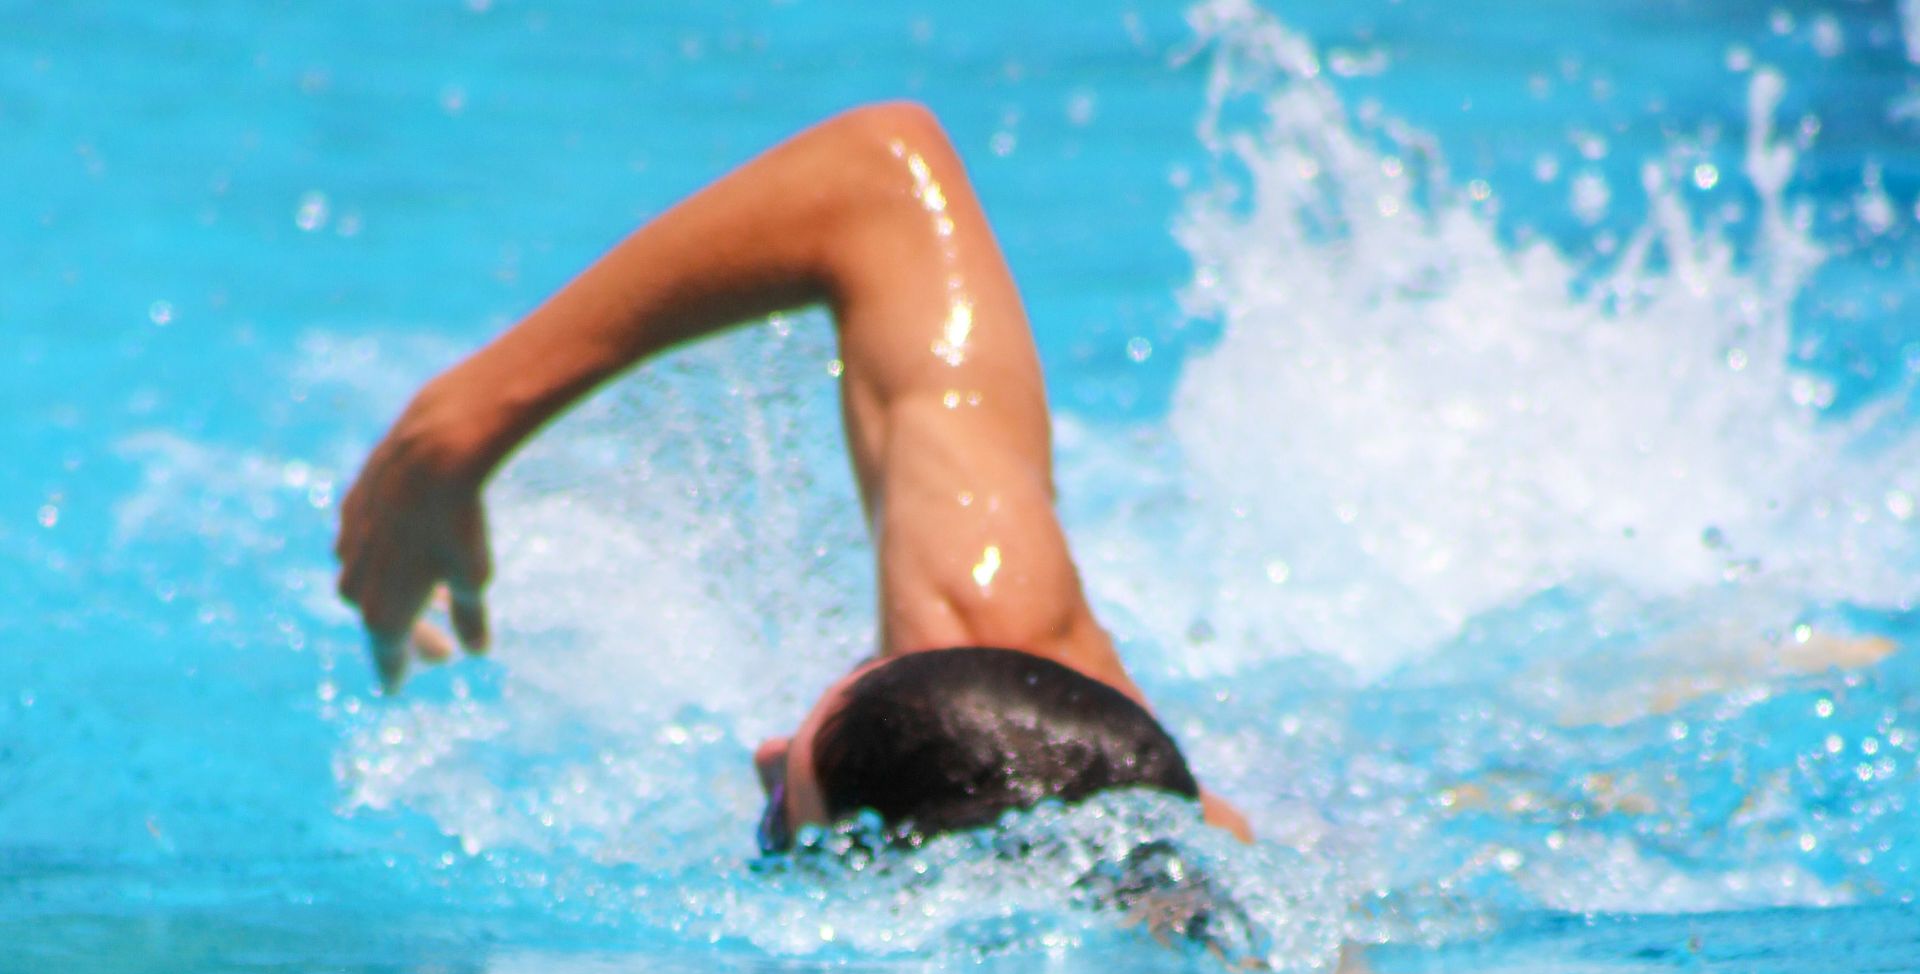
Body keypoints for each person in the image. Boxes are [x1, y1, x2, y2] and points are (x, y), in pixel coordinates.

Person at [334, 101, 1252, 849]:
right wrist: (456, 428)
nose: (763, 753)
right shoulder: (997, 647)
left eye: (785, 820)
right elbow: (881, 179)